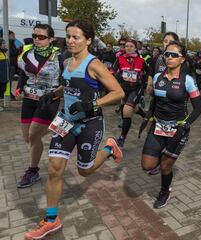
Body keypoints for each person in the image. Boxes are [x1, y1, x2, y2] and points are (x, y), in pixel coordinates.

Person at [24, 19, 124, 240]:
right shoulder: (67, 61)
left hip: (90, 122)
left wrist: (92, 105)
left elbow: (118, 92)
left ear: (87, 40)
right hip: (65, 120)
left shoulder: (94, 64)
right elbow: (68, 85)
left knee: (85, 170)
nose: (70, 40)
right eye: (68, 36)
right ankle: (51, 220)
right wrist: (55, 94)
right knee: (54, 169)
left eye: (75, 37)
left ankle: (108, 148)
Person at [141, 41, 201, 208]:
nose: (169, 57)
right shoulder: (157, 77)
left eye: (174, 55)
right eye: (166, 54)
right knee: (147, 166)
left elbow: (198, 108)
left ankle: (164, 191)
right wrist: (147, 118)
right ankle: (162, 156)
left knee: (166, 167)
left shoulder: (187, 80)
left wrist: (185, 124)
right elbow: (154, 101)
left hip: (177, 129)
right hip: (158, 126)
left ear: (182, 59)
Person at [14, 24, 63, 188]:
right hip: (28, 99)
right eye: (35, 35)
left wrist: (58, 93)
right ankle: (58, 128)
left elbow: (67, 80)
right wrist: (19, 87)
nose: (36, 39)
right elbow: (24, 74)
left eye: (41, 37)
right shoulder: (27, 53)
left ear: (51, 39)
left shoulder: (60, 56)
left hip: (48, 101)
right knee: (28, 137)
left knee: (34, 133)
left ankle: (32, 170)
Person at [115, 38, 149, 147]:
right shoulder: (120, 58)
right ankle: (145, 115)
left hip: (136, 89)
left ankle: (122, 138)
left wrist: (146, 83)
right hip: (123, 88)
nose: (128, 48)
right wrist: (119, 76)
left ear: (135, 48)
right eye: (127, 46)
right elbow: (113, 71)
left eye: (131, 46)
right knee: (132, 109)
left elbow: (149, 72)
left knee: (126, 110)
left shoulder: (141, 60)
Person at [0, 39, 8, 104]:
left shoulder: (4, 53)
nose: (5, 45)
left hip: (4, 77)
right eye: (3, 43)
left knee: (3, 90)